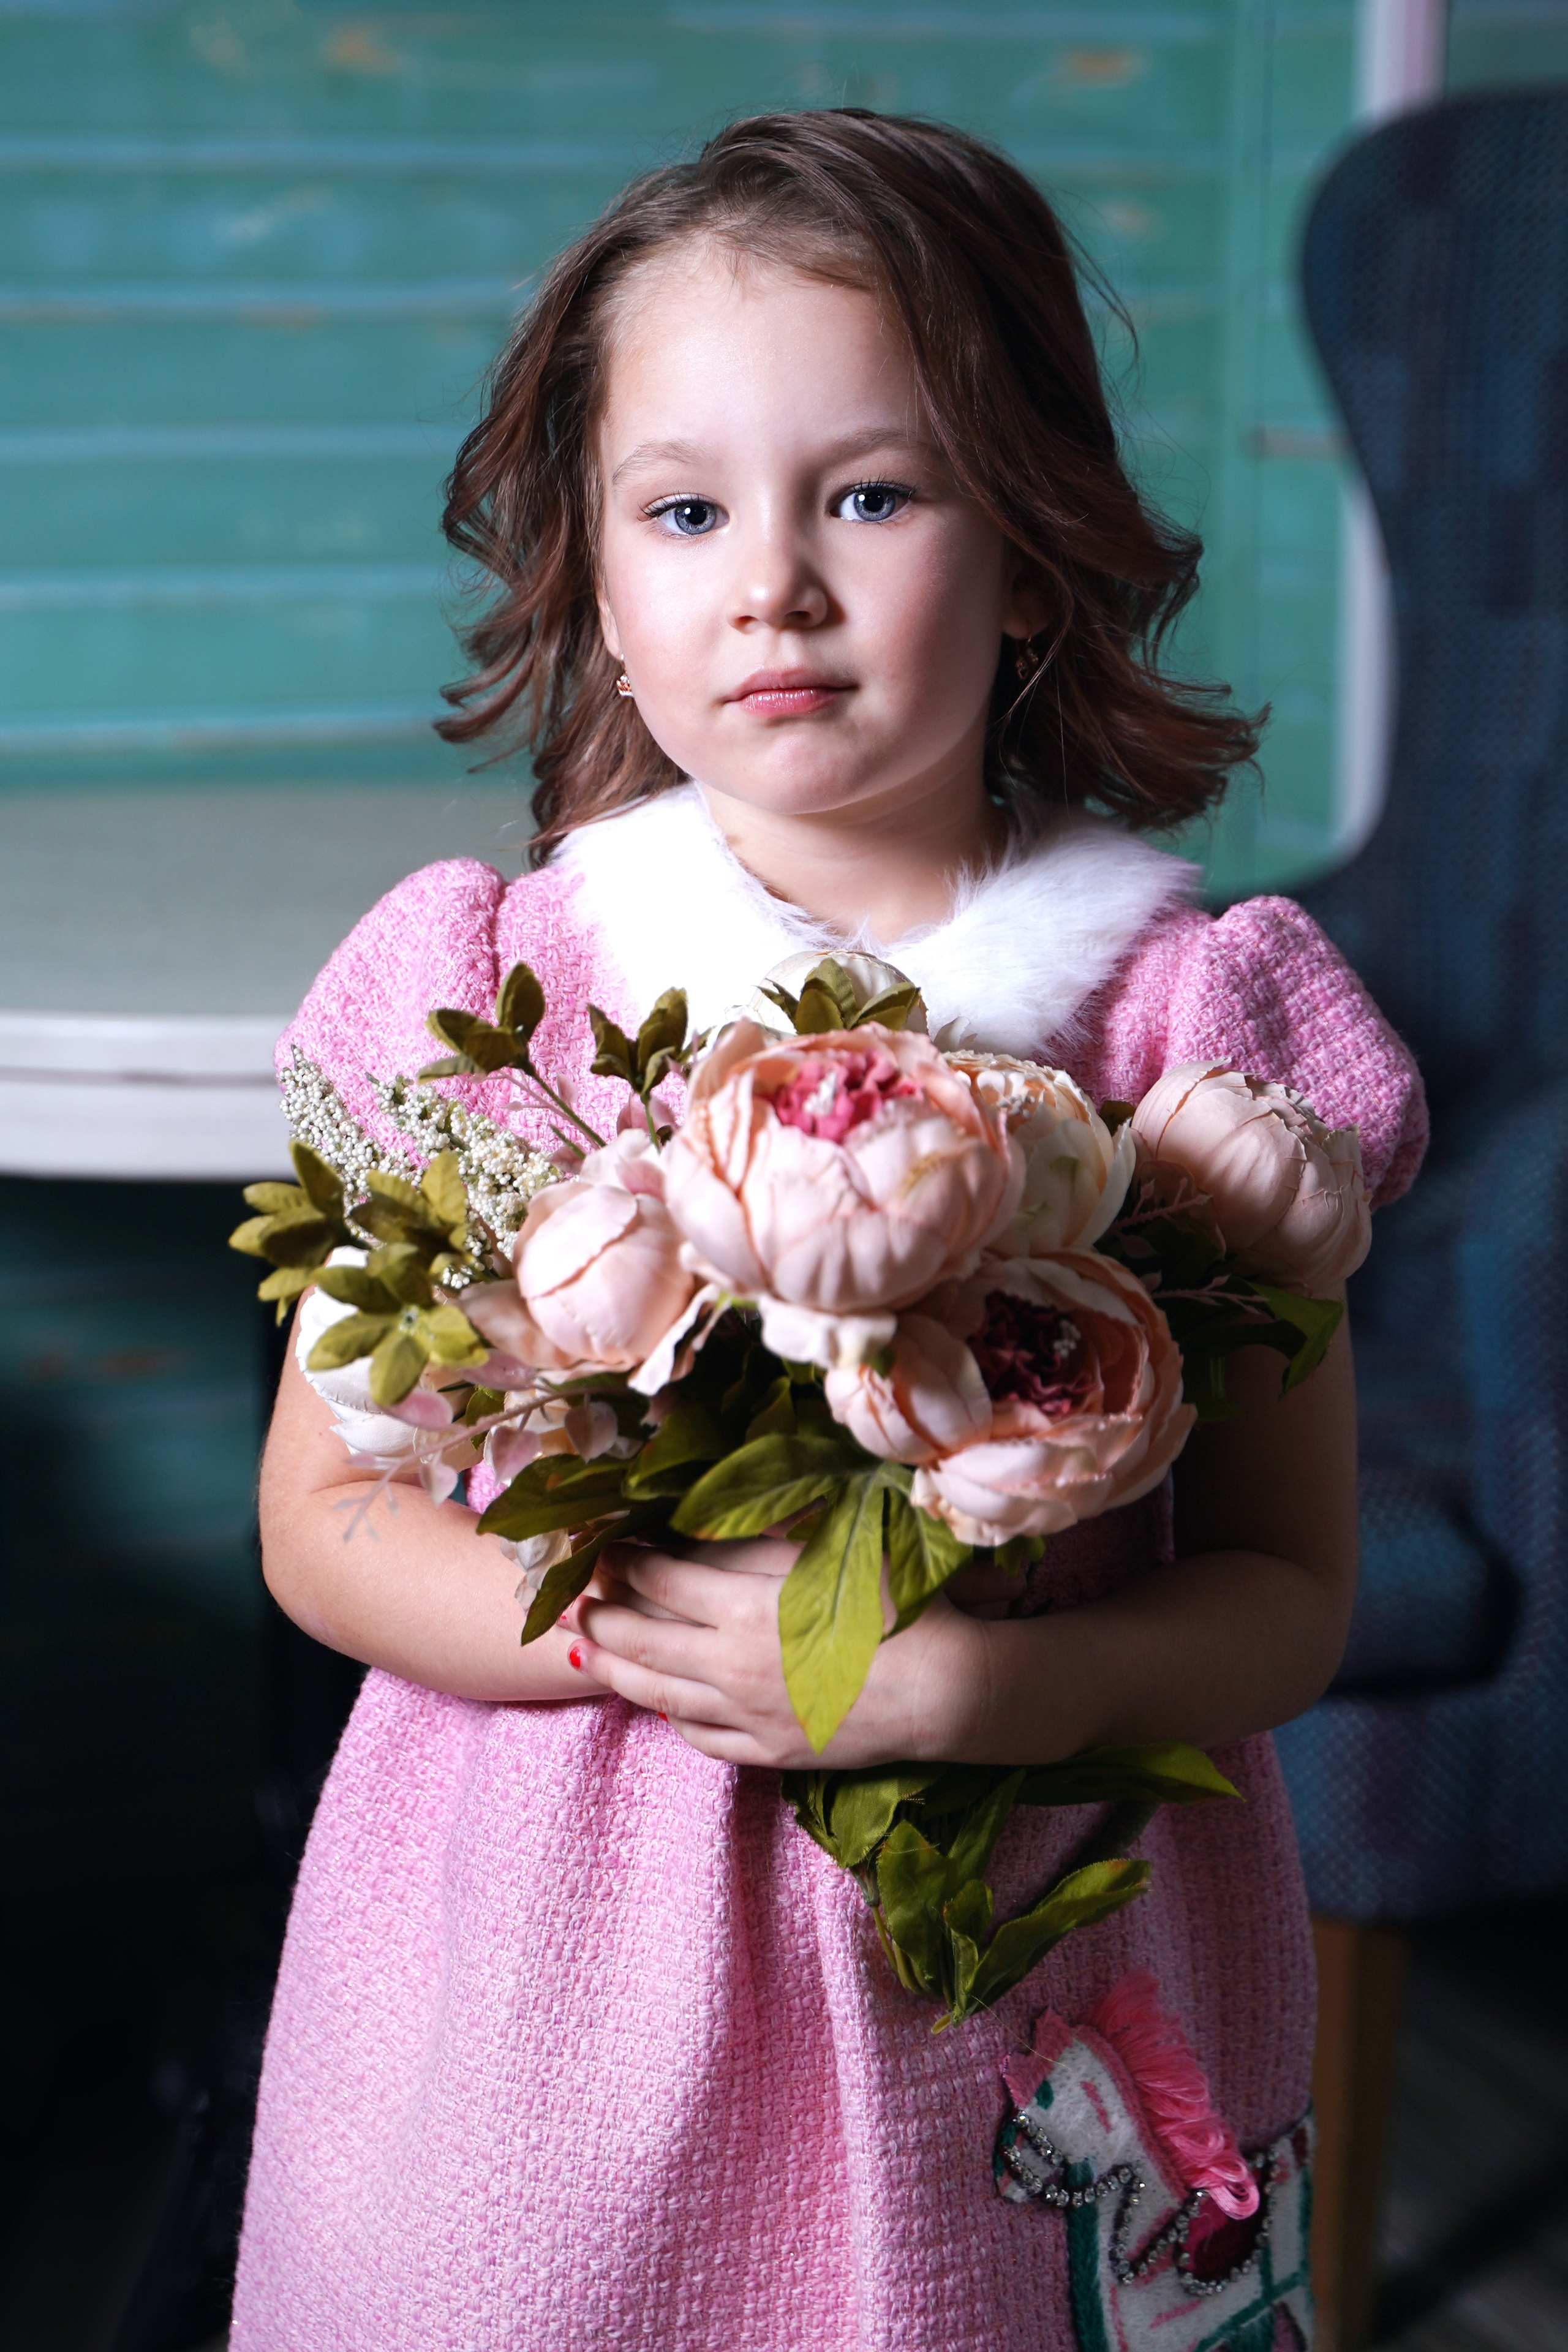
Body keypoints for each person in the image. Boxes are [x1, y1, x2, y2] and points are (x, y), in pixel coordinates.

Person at [232, 111, 1426, 2352]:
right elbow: (319, 1515)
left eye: (871, 496)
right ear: (599, 580)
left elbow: (1288, 1593)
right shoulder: (507, 1002)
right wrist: (641, 1637)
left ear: (1042, 550)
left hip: (1032, 1955)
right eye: (685, 513)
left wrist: (986, 1680)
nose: (770, 582)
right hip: (537, 1991)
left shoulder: (1186, 1043)